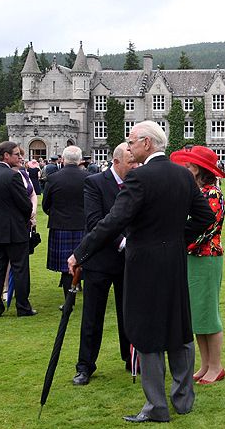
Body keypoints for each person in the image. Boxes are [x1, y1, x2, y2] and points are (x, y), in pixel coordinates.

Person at [68, 121, 214, 423]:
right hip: (173, 260)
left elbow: (112, 222)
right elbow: (205, 217)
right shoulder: (183, 176)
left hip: (144, 263)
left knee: (147, 333)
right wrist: (175, 239)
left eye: (132, 141)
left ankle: (157, 407)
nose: (129, 147)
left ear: (147, 143)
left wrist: (80, 253)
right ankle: (183, 399)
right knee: (179, 326)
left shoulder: (139, 178)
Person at [73, 143, 137, 386]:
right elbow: (94, 222)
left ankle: (130, 358)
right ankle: (85, 366)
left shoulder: (135, 183)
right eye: (131, 162)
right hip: (100, 260)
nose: (135, 166)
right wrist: (122, 242)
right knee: (92, 315)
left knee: (128, 313)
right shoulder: (95, 183)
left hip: (128, 261)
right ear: (117, 161)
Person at [170, 145, 225, 385]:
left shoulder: (212, 193)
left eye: (188, 165)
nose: (184, 167)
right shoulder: (199, 192)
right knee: (198, 315)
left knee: (208, 314)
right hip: (194, 257)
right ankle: (205, 365)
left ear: (196, 169)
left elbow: (207, 229)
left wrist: (181, 244)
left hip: (206, 257)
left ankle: (216, 366)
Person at [0, 141, 36, 318]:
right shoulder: (13, 176)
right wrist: (27, 215)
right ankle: (23, 307)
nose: (19, 157)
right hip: (14, 229)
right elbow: (25, 205)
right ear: (6, 156)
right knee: (19, 268)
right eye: (16, 154)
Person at [43, 146, 90, 304]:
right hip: (82, 225)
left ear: (63, 159)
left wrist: (56, 215)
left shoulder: (53, 178)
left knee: (65, 266)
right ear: (80, 160)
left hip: (60, 225)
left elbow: (45, 204)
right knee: (83, 260)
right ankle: (80, 290)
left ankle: (69, 298)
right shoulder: (89, 177)